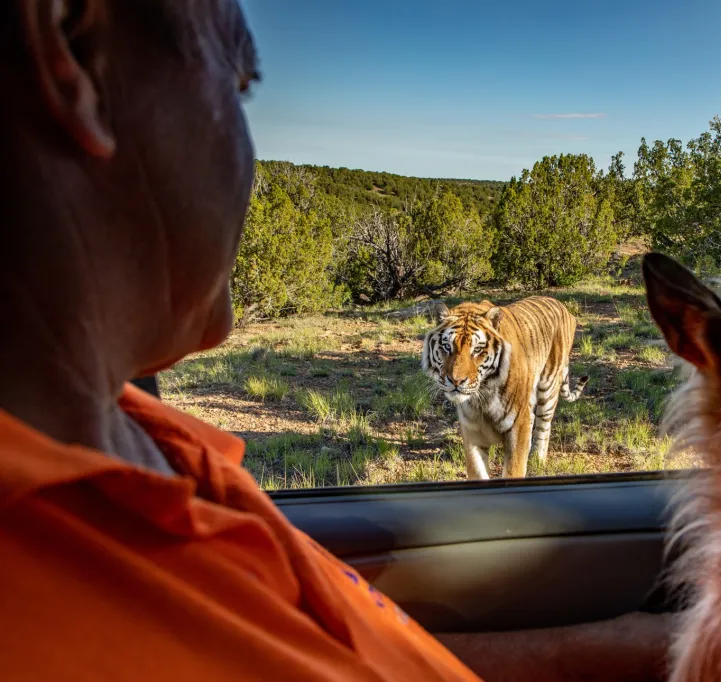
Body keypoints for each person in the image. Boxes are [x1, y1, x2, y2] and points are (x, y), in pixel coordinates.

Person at [0, 1, 673, 680]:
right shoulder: (42, 570)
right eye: (239, 85)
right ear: (73, 48)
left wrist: (630, 644)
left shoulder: (148, 439)